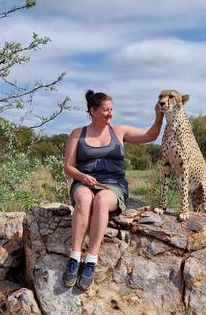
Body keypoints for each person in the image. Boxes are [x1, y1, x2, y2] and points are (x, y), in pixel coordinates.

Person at [62, 90, 163, 290]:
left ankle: (91, 260)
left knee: (100, 202)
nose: (110, 114)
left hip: (113, 185)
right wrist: (82, 177)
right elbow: (68, 167)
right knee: (83, 199)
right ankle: (74, 258)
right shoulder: (77, 134)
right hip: (85, 182)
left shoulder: (119, 131)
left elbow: (150, 135)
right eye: (105, 110)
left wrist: (158, 116)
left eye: (111, 110)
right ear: (92, 111)